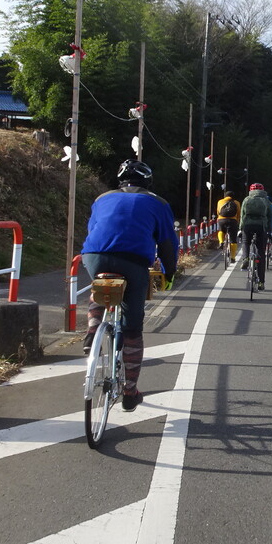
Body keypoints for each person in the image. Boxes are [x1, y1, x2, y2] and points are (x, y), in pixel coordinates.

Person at [81, 159, 179, 412]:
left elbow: (93, 229)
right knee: (133, 328)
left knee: (101, 284)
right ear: (148, 181)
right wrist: (169, 271)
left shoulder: (102, 198)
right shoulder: (158, 202)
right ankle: (130, 391)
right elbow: (167, 243)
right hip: (133, 260)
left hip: (94, 255)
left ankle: (93, 330)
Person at [239, 182, 272, 290]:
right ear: (263, 190)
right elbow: (270, 216)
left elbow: (242, 215)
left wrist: (240, 228)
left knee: (245, 241)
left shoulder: (247, 199)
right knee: (261, 252)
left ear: (251, 190)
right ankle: (261, 283)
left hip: (248, 225)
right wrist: (269, 230)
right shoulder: (266, 200)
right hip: (261, 227)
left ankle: (246, 258)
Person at [216, 189, 240, 262]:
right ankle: (233, 258)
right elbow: (238, 213)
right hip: (233, 221)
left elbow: (218, 212)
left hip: (222, 220)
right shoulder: (236, 203)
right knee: (233, 240)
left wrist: (220, 218)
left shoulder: (220, 201)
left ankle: (221, 242)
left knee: (221, 231)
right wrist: (237, 221)